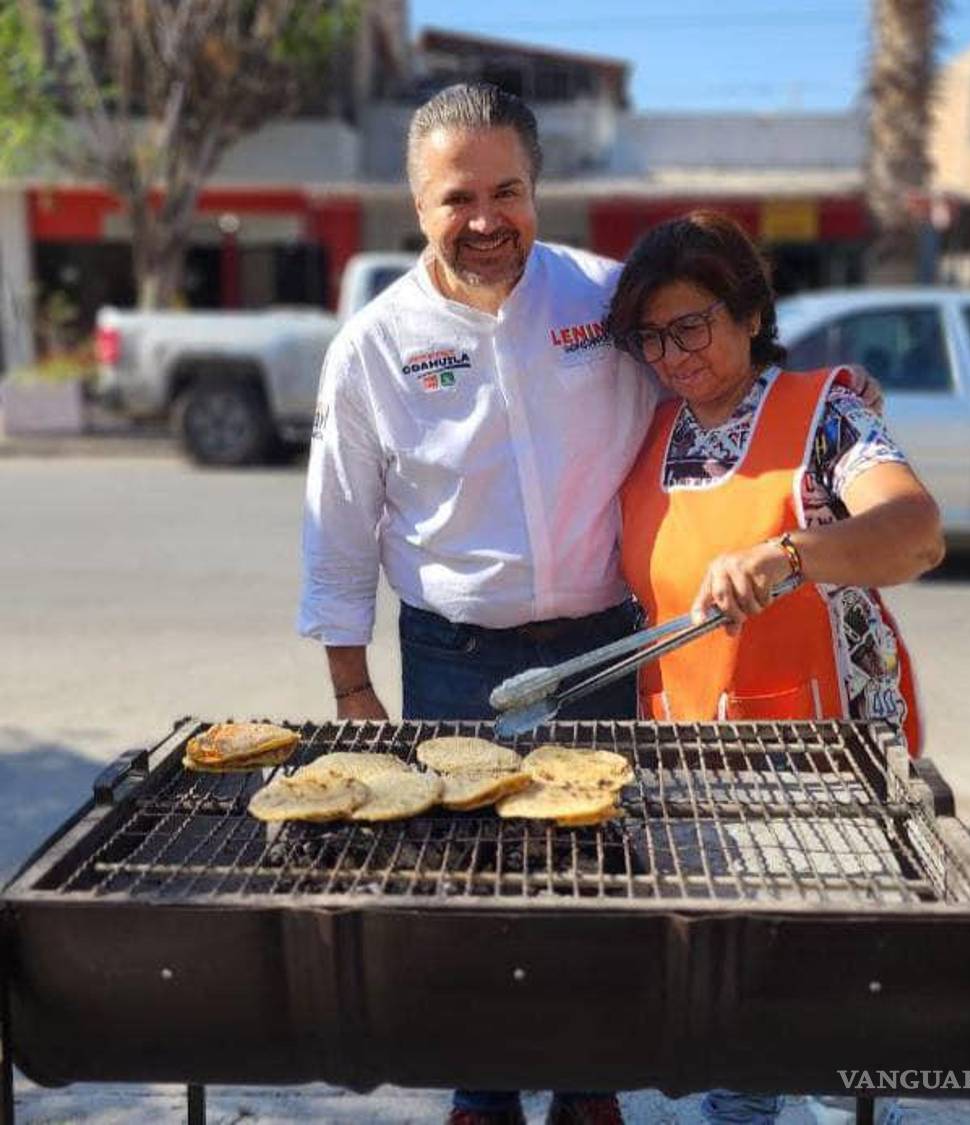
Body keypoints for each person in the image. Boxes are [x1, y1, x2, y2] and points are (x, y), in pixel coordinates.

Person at [297, 81, 658, 1125]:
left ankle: (589, 1089)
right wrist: (351, 686)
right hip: (454, 659)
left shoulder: (606, 300)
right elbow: (337, 524)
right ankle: (482, 1091)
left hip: (601, 650)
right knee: (469, 889)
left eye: (508, 190)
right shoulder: (373, 345)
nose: (487, 218)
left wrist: (814, 396)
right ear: (417, 203)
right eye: (459, 197)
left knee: (597, 879)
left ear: (537, 190)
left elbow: (709, 379)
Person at [606, 211, 945, 1125]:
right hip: (698, 768)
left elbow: (915, 533)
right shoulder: (649, 434)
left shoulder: (826, 412)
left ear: (750, 311)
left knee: (826, 1002)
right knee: (734, 1004)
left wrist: (792, 554)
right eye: (651, 336)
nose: (672, 354)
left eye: (693, 325)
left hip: (831, 764)